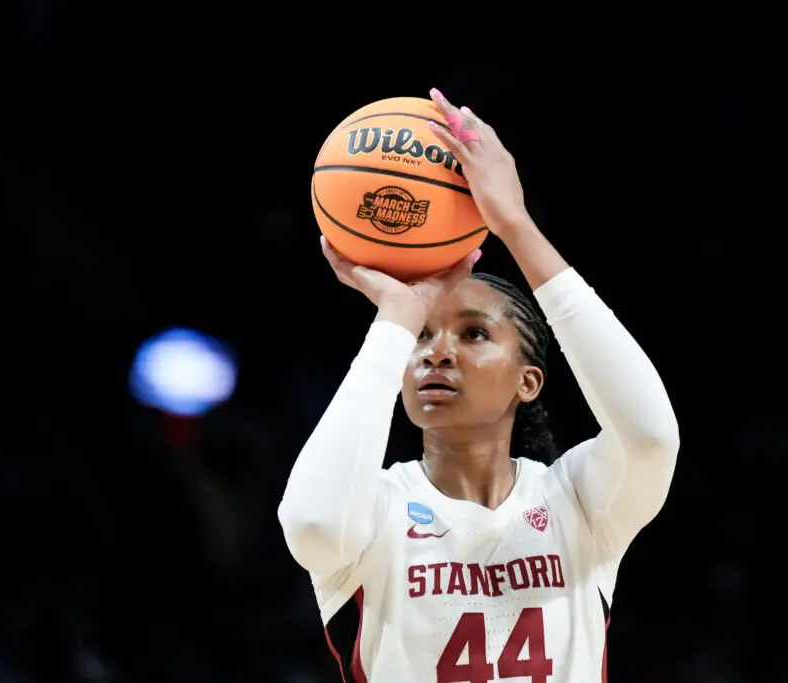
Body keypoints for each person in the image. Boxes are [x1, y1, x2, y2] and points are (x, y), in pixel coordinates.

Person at [278, 87, 681, 683]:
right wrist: (393, 318)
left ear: (528, 381)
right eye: (420, 337)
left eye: (473, 334)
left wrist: (514, 225)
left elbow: (650, 436)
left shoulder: (575, 503)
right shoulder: (375, 510)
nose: (436, 352)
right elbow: (310, 523)